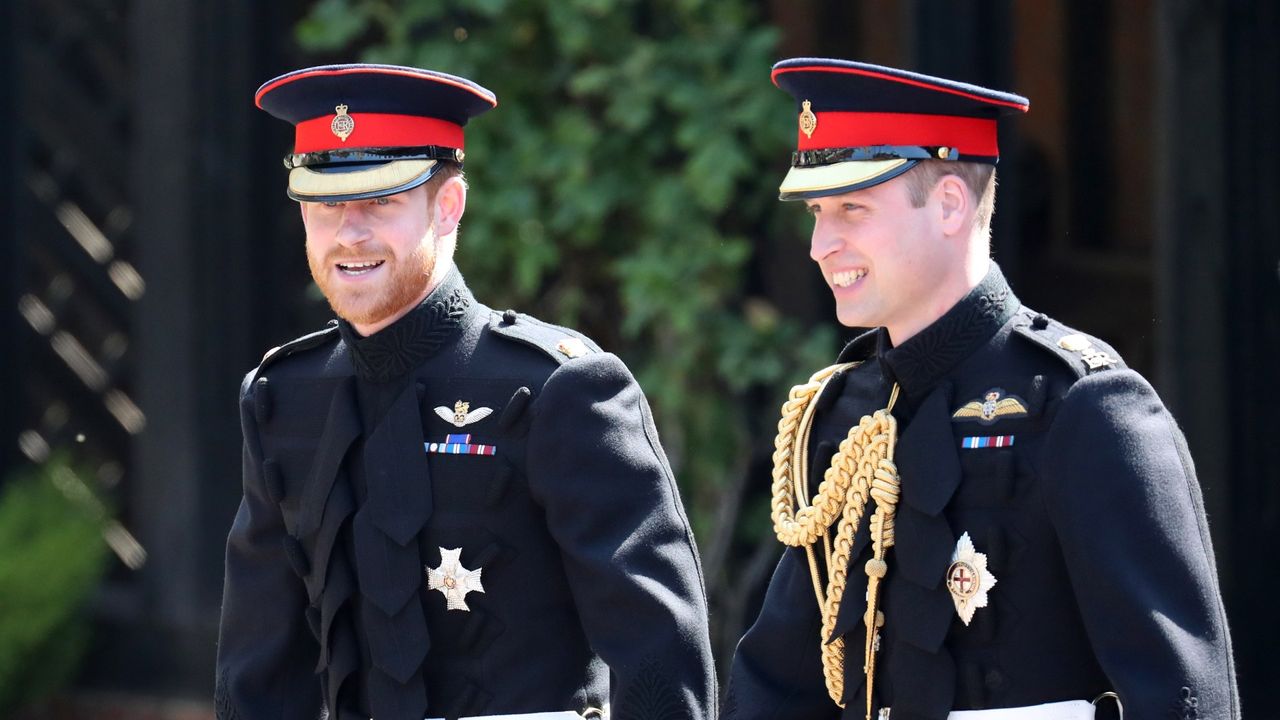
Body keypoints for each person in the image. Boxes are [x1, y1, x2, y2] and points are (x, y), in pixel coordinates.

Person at [724, 58, 1238, 720]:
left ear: (948, 205)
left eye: (852, 208)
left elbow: (1182, 695)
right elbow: (777, 686)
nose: (823, 242)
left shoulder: (1084, 405)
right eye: (818, 212)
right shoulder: (847, 413)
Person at [215, 64, 716, 720]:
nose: (349, 232)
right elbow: (258, 671)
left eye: (380, 201)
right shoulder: (282, 398)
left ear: (447, 207)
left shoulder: (557, 389)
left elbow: (659, 656)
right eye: (326, 204)